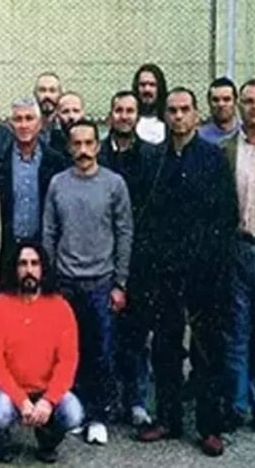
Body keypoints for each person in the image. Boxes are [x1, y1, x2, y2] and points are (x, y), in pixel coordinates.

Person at [134, 87, 234, 456]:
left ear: (196, 115)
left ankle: (209, 427)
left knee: (207, 350)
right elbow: (146, 217)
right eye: (172, 110)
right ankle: (168, 419)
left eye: (184, 110)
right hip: (164, 272)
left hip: (204, 271)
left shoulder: (212, 158)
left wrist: (213, 264)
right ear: (165, 115)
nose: (178, 116)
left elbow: (225, 215)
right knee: (165, 346)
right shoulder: (156, 160)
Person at [42, 119, 131, 446]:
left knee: (101, 353)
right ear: (69, 147)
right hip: (66, 282)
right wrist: (50, 279)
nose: (82, 150)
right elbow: (49, 232)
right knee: (68, 354)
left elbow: (124, 233)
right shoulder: (58, 184)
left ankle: (98, 417)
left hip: (101, 282)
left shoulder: (114, 184)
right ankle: (75, 413)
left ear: (97, 145)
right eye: (76, 144)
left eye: (88, 143)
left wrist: (120, 282)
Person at [97, 90, 162, 427]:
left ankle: (137, 401)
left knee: (136, 335)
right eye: (118, 110)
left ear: (138, 115)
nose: (124, 116)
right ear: (111, 115)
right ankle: (108, 400)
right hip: (99, 257)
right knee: (104, 336)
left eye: (129, 110)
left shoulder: (152, 156)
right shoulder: (96, 154)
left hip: (139, 259)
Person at [0, 244, 83, 464]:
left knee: (73, 414)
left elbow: (68, 361)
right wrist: (21, 400)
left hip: (46, 390)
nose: (29, 270)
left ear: (43, 268)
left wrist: (48, 401)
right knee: (0, 412)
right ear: (14, 268)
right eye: (23, 264)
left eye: (34, 264)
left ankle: (47, 441)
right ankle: (1, 440)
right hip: (10, 391)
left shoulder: (61, 308)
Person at [223, 79, 255, 435]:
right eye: (249, 100)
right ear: (239, 106)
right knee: (235, 330)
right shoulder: (225, 151)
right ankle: (236, 405)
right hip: (236, 247)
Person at [0, 98, 67, 291]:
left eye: (29, 118)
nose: (24, 125)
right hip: (9, 251)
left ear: (39, 123)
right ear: (11, 124)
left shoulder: (56, 162)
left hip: (44, 250)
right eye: (18, 119)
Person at [133, 63, 169, 145]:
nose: (147, 89)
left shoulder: (169, 120)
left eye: (152, 85)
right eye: (142, 85)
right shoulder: (129, 120)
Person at [201, 76, 240, 145]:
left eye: (226, 99)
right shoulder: (200, 137)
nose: (221, 104)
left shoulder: (245, 133)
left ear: (235, 101)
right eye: (216, 100)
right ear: (209, 102)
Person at [34, 72, 63, 147]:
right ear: (35, 94)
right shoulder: (26, 126)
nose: (47, 95)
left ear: (60, 94)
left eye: (52, 90)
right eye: (42, 90)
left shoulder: (65, 125)